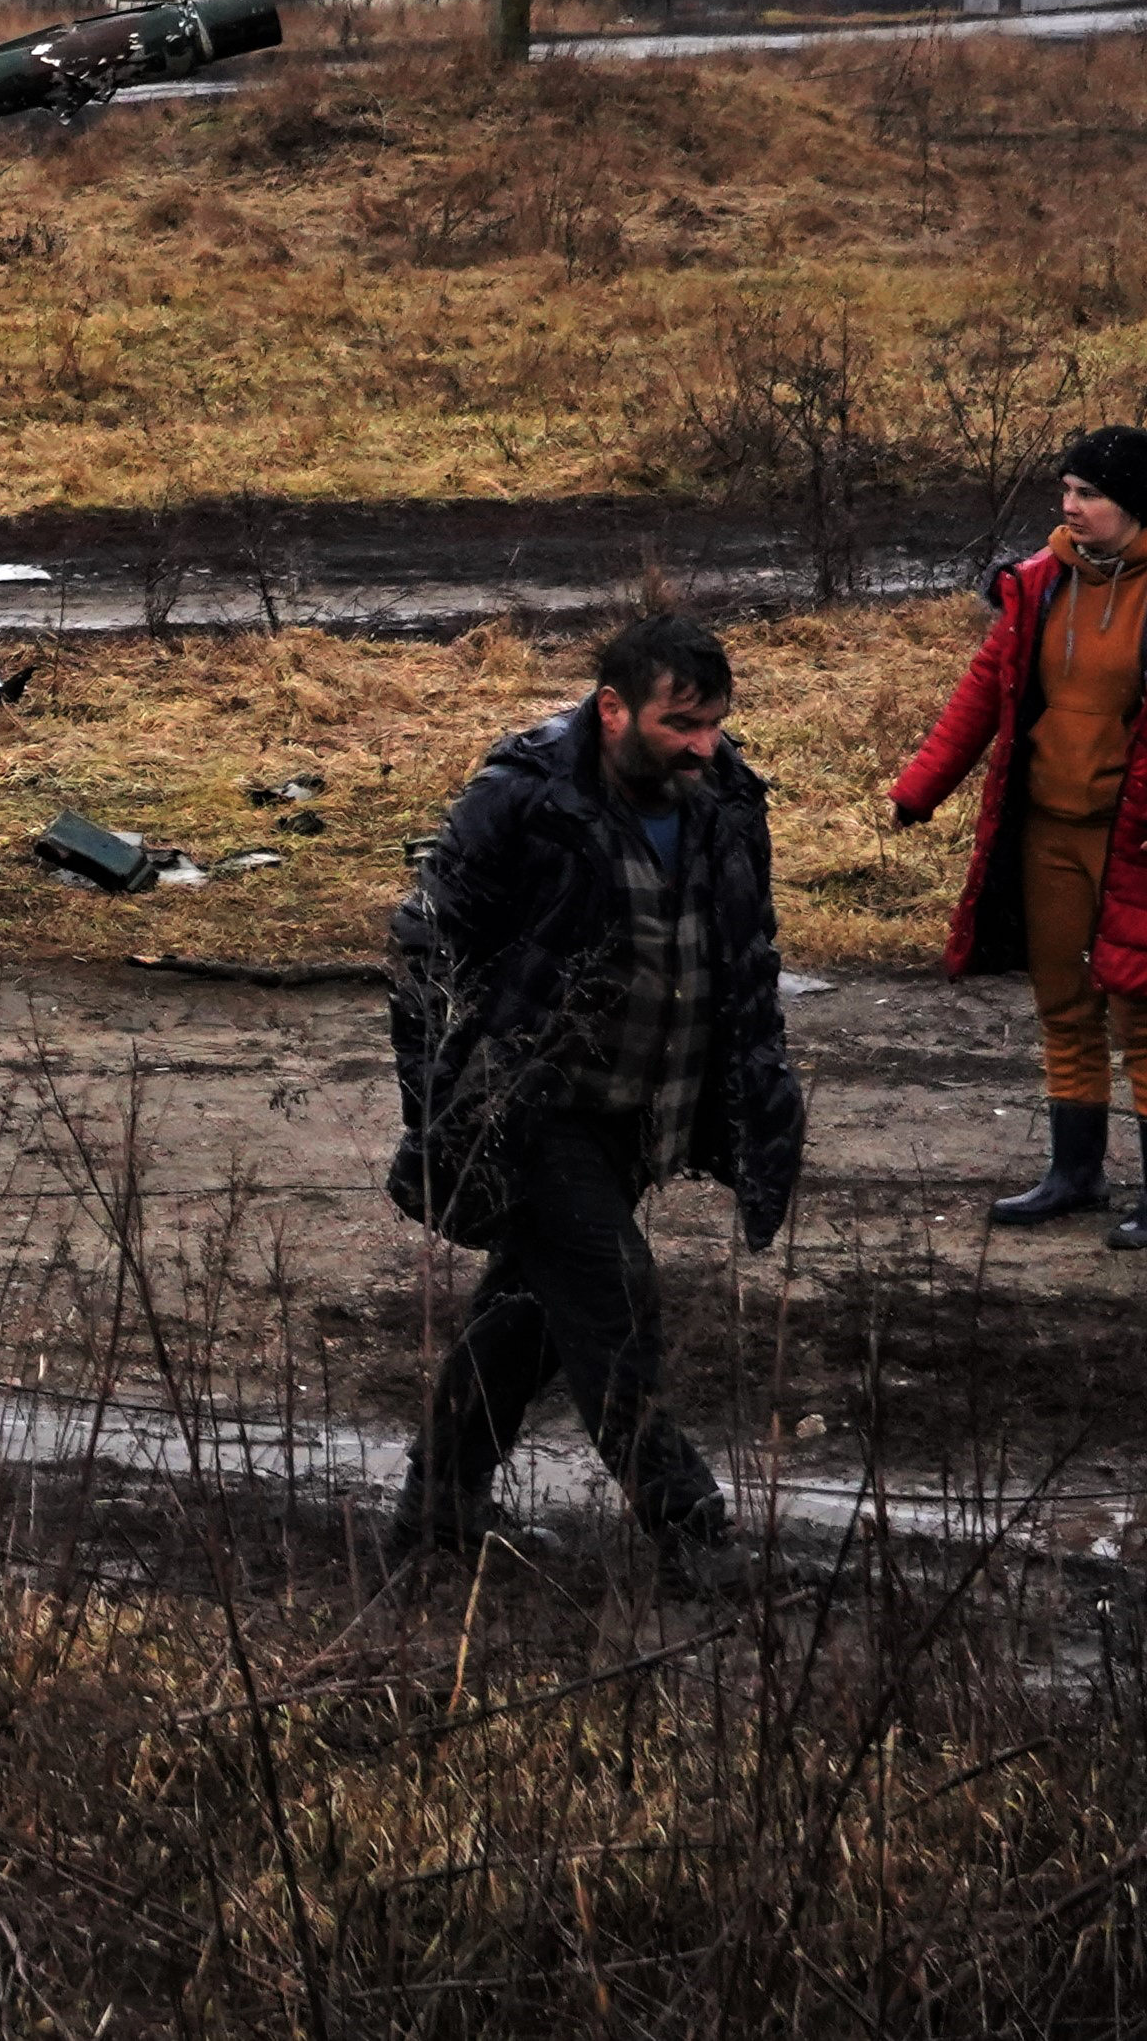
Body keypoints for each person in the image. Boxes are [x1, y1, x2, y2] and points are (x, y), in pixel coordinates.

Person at [386, 612, 806, 1588]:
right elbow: (426, 956)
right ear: (613, 707)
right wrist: (441, 1118)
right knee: (612, 1296)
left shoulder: (725, 796)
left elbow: (749, 952)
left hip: (641, 1107)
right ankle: (690, 1530)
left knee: (535, 1308)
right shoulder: (523, 800)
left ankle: (435, 1504)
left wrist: (758, 1092)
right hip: (530, 1108)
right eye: (680, 723)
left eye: (714, 722)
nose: (703, 744)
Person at [884, 428, 1147, 1252]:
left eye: (1087, 492)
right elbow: (985, 689)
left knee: (1146, 1011)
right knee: (1064, 1005)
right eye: (1066, 489)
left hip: (1144, 840)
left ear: (1133, 502)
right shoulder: (1039, 583)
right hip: (1047, 830)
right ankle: (1074, 1173)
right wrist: (920, 789)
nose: (1069, 505)